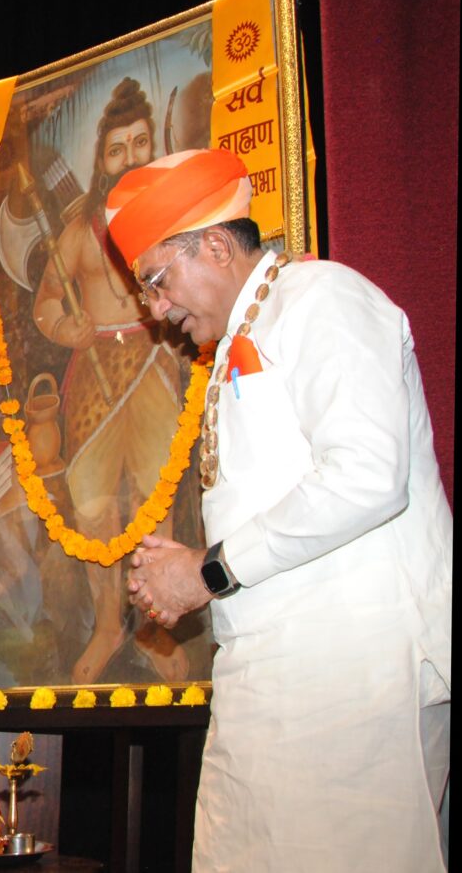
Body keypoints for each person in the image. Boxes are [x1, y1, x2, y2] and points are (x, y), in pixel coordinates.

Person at [107, 147, 452, 871]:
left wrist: (209, 571)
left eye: (158, 281)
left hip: (356, 669)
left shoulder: (323, 297)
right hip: (273, 678)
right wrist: (190, 573)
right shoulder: (240, 334)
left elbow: (368, 476)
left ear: (214, 245)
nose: (157, 309)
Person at [31, 78, 192, 684]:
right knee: (95, 505)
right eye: (117, 148)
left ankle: (155, 625)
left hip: (152, 364)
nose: (129, 157)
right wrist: (64, 326)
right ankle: (107, 626)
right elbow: (47, 301)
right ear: (101, 159)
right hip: (94, 371)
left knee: (153, 499)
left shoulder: (173, 226)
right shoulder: (78, 231)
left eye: (140, 143)